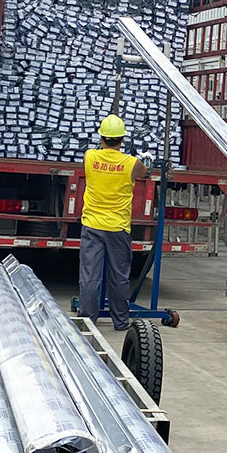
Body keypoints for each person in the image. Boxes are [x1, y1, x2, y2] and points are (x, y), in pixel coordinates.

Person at [79, 114, 149, 331]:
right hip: (118, 228)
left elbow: (92, 156)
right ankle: (120, 322)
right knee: (119, 277)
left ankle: (87, 321)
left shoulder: (90, 157)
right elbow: (145, 172)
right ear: (122, 139)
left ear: (101, 138)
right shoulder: (131, 164)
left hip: (92, 225)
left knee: (89, 276)